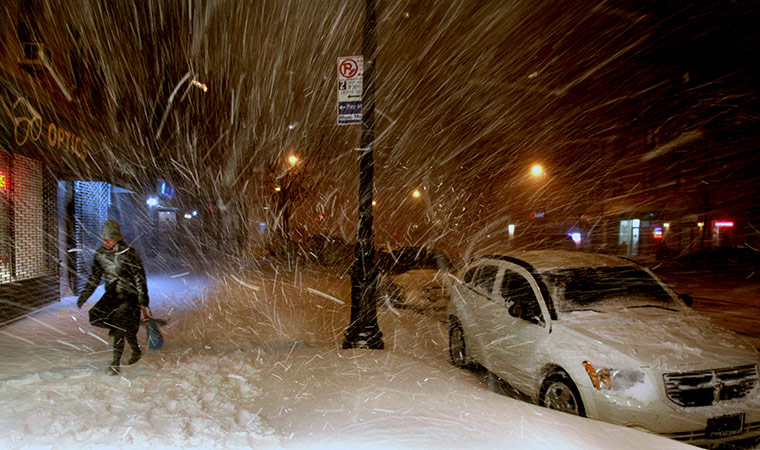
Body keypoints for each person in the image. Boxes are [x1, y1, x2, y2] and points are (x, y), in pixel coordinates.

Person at [77, 220, 150, 375]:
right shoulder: (100, 255)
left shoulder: (129, 253)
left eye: (109, 240)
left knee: (120, 327)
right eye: (104, 240)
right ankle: (136, 351)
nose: (106, 243)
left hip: (129, 296)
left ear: (117, 238)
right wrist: (84, 296)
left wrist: (143, 297)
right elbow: (94, 278)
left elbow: (139, 276)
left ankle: (115, 363)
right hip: (112, 295)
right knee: (99, 317)